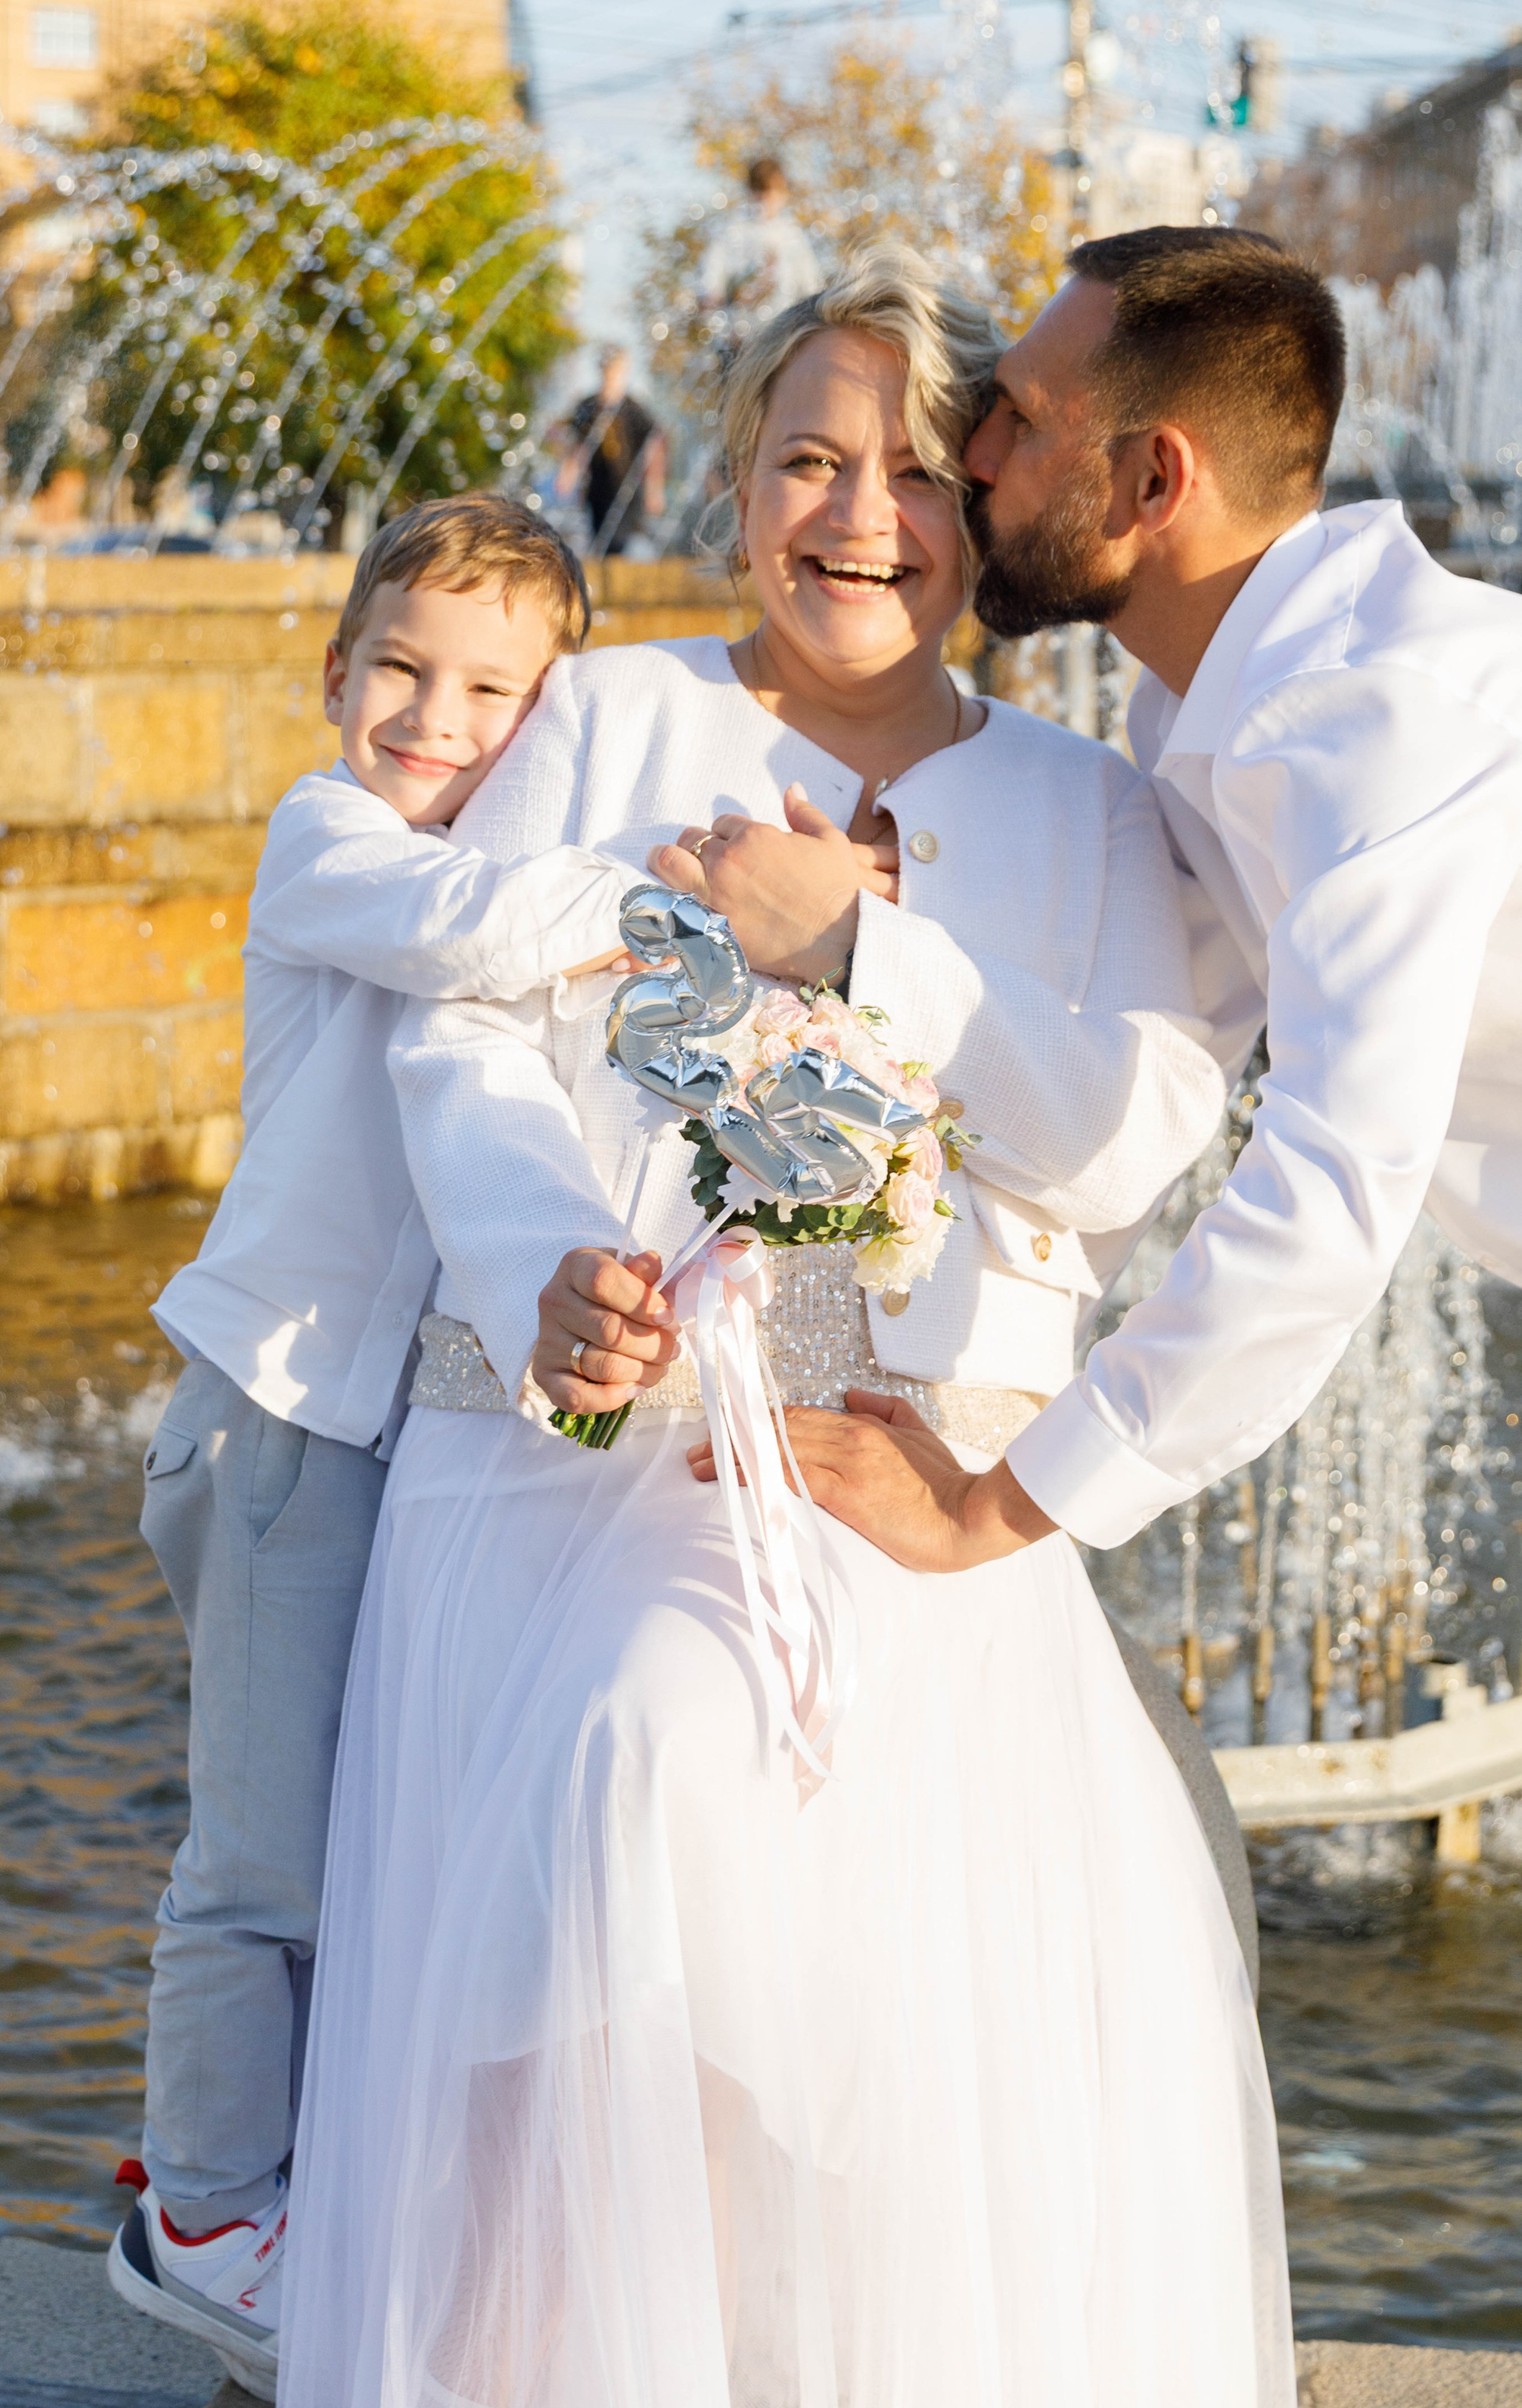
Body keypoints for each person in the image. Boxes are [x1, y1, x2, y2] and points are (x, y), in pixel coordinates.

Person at [783, 223, 1522, 2383]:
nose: (971, 454)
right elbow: (1126, 1113)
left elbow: (1328, 1187)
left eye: (1013, 421)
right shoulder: (1252, 723)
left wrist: (1008, 1501)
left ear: (1150, 481)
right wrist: (866, 938)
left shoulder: (1372, 721)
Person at [278, 246, 1294, 2407]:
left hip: (915, 1508)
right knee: (599, 1898)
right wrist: (537, 1259)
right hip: (565, 1479)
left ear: (984, 510)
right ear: (732, 484)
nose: (861, 517)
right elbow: (457, 1030)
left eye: (918, 471)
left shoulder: (1101, 818)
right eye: (810, 461)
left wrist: (870, 950)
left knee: (876, 2093)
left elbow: (1121, 1151)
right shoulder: (600, 720)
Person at [110, 493, 644, 2399]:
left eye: (494, 691)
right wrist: (677, 889)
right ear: (334, 677)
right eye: (402, 670)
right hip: (275, 1420)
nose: (437, 716)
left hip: (361, 1427)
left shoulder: (496, 863)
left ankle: (294, 2173)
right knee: (260, 1858)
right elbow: (468, 923)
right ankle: (199, 2207)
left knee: (357, 1840)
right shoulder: (329, 839)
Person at [699, 153, 826, 356]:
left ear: (784, 195)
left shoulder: (792, 236)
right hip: (738, 342)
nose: (767, 202)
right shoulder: (731, 231)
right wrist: (723, 331)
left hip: (781, 339)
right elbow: (710, 287)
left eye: (774, 195)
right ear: (749, 193)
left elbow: (810, 288)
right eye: (761, 194)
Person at [559, 345, 667, 556]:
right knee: (599, 541)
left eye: (617, 372)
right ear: (601, 371)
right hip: (598, 489)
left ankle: (620, 583)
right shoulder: (588, 407)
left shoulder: (634, 410)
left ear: (625, 373)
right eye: (608, 371)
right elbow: (577, 446)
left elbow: (654, 447)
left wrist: (655, 488)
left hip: (629, 489)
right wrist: (569, 472)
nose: (612, 377)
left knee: (622, 542)